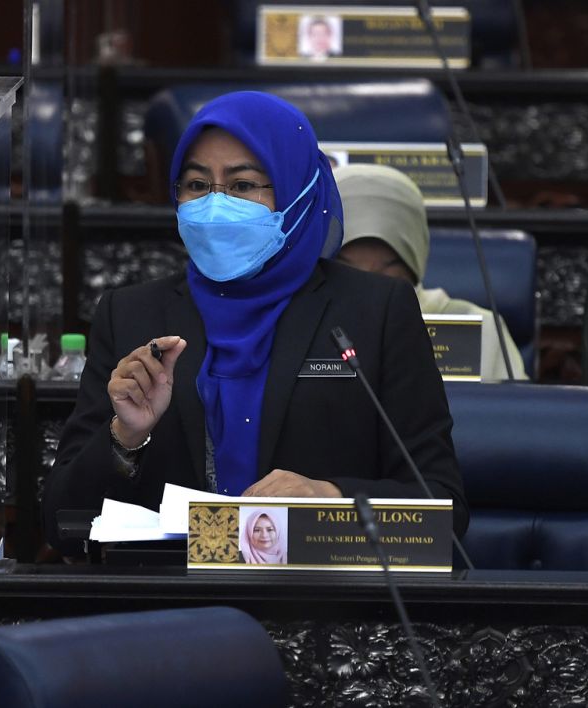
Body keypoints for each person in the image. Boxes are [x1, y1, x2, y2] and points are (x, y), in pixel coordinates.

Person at [42, 91, 468, 553]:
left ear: (298, 193)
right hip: (168, 604)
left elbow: (443, 506)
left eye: (243, 186)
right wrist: (126, 438)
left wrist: (329, 496)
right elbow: (64, 522)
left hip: (324, 604)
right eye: (197, 186)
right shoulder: (130, 314)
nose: (216, 205)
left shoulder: (375, 311)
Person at [334, 163, 528, 381]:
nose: (367, 286)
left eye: (385, 271)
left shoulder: (483, 332)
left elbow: (511, 412)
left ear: (414, 262)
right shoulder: (297, 327)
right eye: (347, 268)